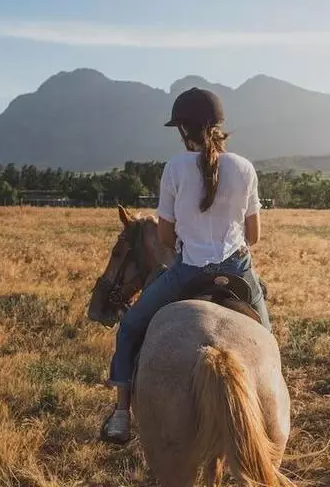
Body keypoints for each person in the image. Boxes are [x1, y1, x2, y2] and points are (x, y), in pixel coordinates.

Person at [101, 86, 271, 444]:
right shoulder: (245, 167)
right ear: (219, 126)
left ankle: (119, 414)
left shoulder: (175, 168)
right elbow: (253, 236)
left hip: (188, 271)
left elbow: (165, 238)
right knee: (267, 343)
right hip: (238, 269)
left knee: (130, 326)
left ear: (182, 131)